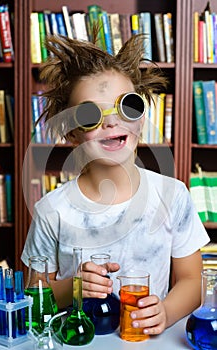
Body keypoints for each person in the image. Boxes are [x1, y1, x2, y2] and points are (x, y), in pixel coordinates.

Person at [21, 33, 210, 336]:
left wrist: (167, 311)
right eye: (89, 115)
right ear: (71, 133)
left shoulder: (171, 195)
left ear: (140, 118)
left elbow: (191, 278)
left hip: (145, 341)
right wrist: (74, 288)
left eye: (126, 107)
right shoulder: (51, 210)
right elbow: (33, 295)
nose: (111, 122)